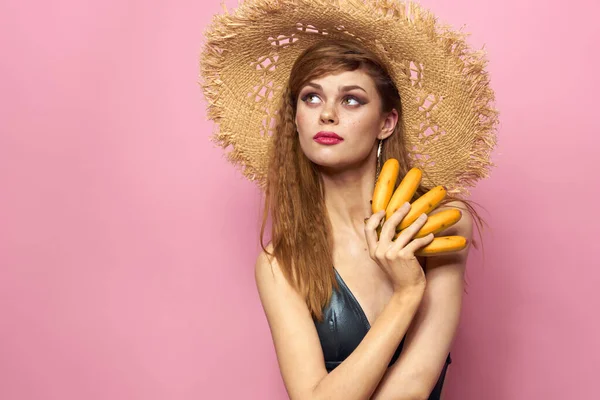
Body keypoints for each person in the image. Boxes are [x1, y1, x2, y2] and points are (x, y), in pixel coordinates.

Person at [199, 1, 498, 399]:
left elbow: (412, 387)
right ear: (297, 120)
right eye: (311, 97)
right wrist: (406, 294)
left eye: (352, 100)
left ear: (386, 122)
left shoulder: (440, 223)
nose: (327, 115)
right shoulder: (280, 266)